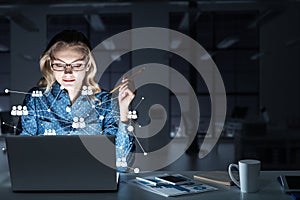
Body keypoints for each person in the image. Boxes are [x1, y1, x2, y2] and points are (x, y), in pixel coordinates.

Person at [18, 30, 135, 172]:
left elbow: (123, 166)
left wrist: (124, 111)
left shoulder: (106, 102)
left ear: (88, 65)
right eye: (60, 65)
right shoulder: (36, 99)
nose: (68, 72)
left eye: (77, 65)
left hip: (93, 183)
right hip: (47, 180)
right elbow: (23, 156)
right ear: (50, 64)